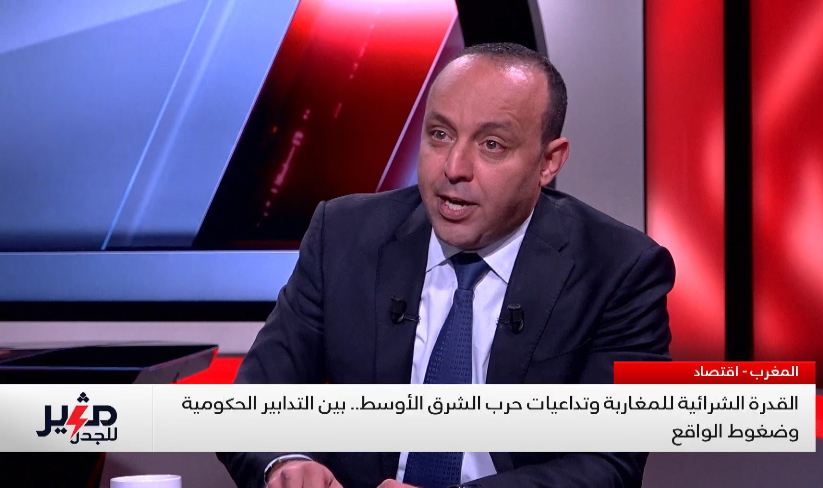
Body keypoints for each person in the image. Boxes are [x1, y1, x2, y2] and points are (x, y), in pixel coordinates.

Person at [217, 42, 675, 488]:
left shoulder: (619, 269)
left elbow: (610, 462)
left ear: (548, 161)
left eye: (492, 144)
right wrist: (284, 461)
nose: (454, 167)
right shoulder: (342, 235)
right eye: (440, 134)